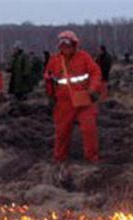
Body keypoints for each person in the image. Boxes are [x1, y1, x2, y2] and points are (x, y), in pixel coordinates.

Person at [44, 30, 102, 163]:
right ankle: (59, 160)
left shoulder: (84, 57)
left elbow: (96, 73)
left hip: (84, 100)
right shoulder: (54, 60)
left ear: (74, 44)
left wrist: (93, 89)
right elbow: (48, 79)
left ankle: (92, 160)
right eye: (62, 44)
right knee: (62, 133)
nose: (65, 47)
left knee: (89, 130)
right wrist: (50, 96)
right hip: (63, 103)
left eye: (68, 44)